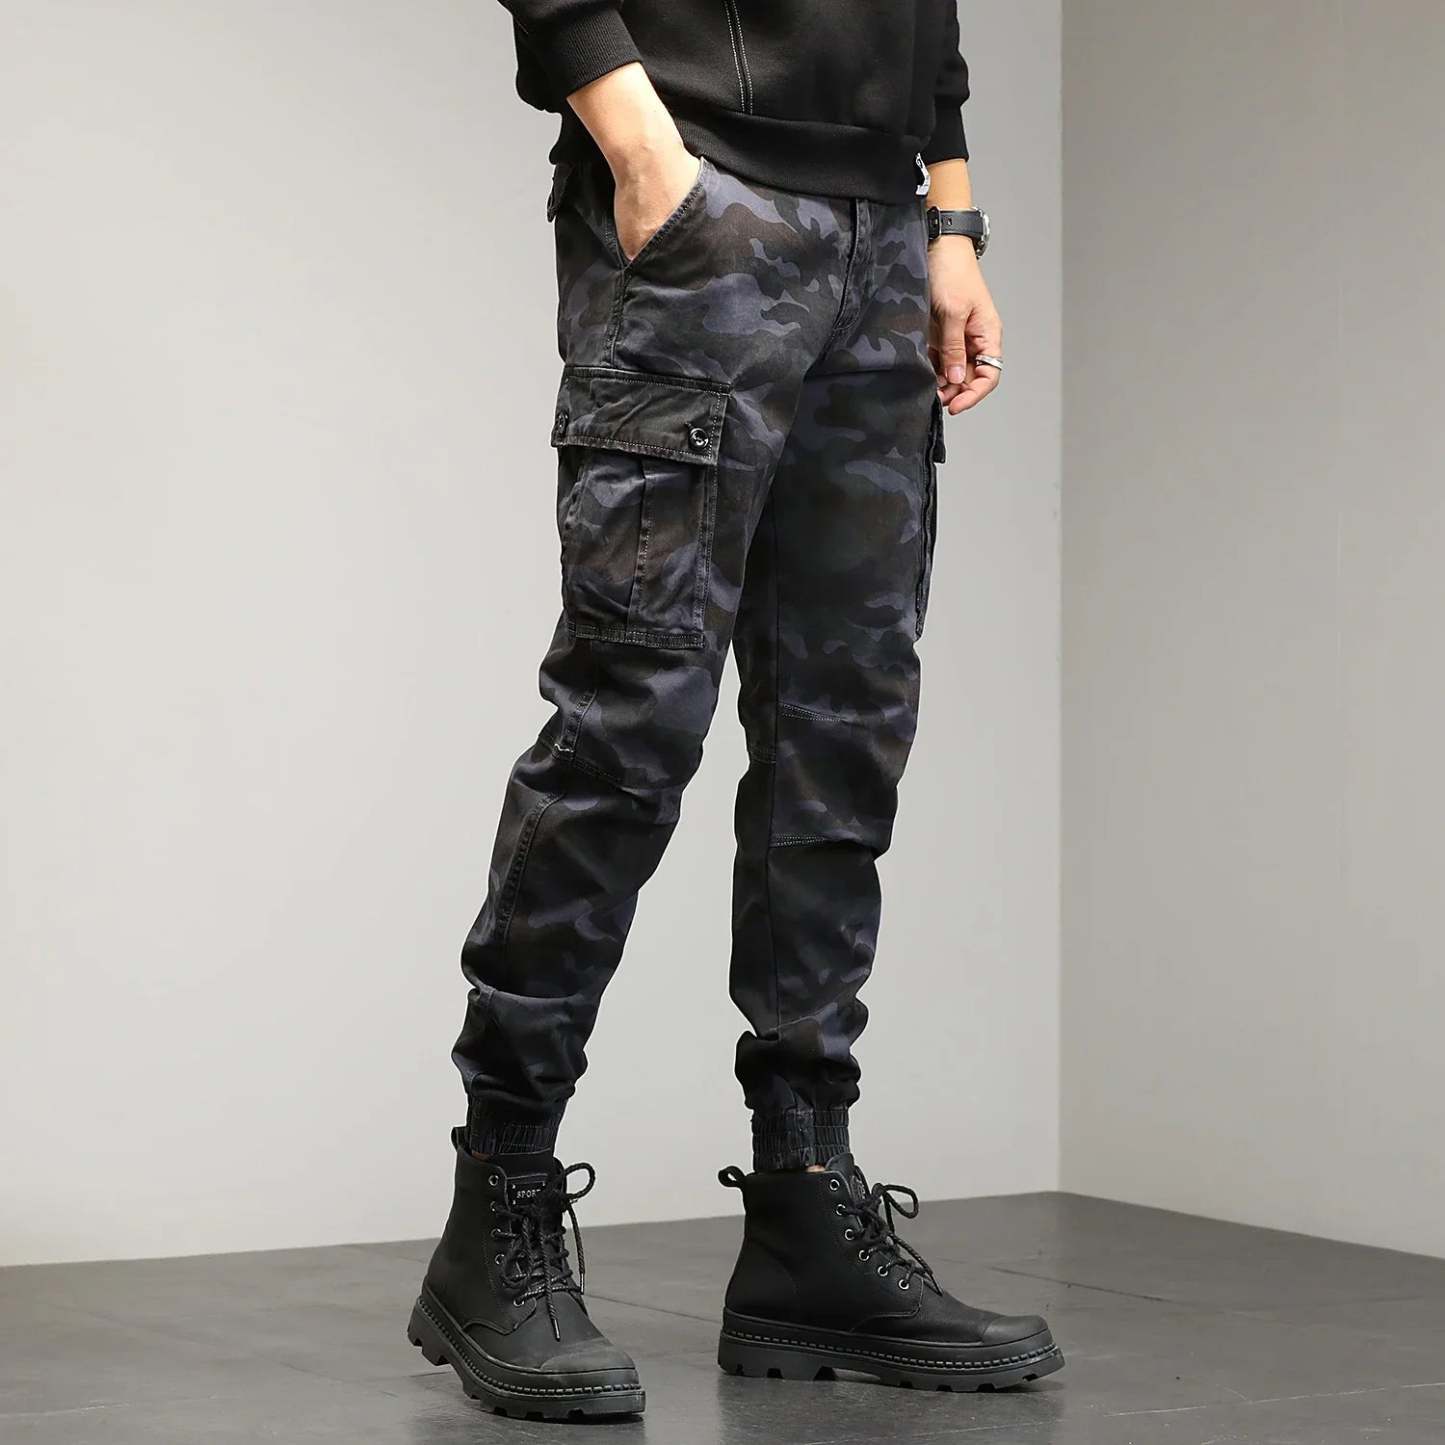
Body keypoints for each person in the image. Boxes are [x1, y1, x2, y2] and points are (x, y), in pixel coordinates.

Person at [405, 0, 1063, 1419]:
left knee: (844, 733)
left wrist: (949, 221)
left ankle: (805, 1210)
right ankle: (495, 1206)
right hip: (706, 194)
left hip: (882, 230)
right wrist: (641, 148)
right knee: (630, 722)